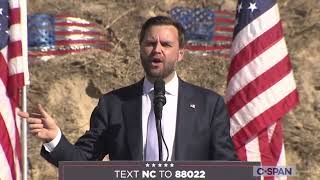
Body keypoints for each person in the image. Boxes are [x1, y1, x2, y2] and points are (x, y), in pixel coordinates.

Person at [18, 16, 238, 167]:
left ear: (181, 53)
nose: (157, 49)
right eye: (150, 43)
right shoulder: (114, 104)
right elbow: (83, 163)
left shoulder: (209, 105)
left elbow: (227, 168)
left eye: (166, 44)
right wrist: (55, 138)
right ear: (141, 49)